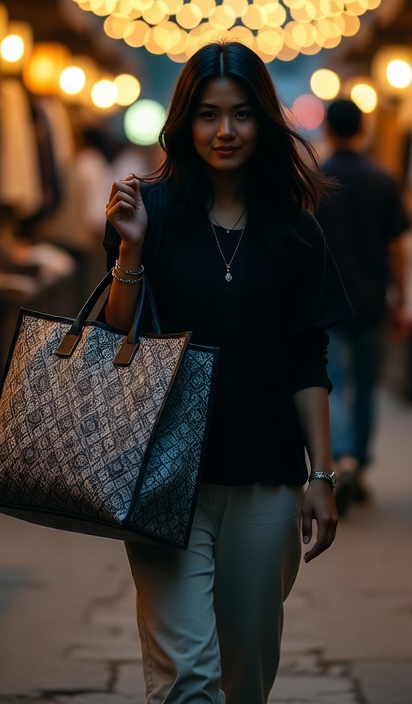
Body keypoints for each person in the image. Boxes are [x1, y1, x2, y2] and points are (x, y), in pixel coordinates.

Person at [103, 41, 350, 704]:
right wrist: (131, 248)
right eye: (208, 115)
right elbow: (118, 333)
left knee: (246, 673)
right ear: (185, 122)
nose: (224, 130)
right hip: (161, 474)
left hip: (265, 476)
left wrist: (322, 476)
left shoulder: (295, 230)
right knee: (187, 676)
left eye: (241, 114)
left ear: (263, 121)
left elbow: (307, 357)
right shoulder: (149, 210)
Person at [316, 98, 410, 514]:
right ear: (363, 130)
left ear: (329, 130)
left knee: (333, 382)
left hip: (328, 303)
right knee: (367, 387)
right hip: (372, 300)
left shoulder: (317, 181)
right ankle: (360, 462)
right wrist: (400, 299)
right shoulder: (383, 179)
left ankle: (343, 457)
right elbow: (397, 248)